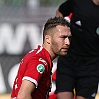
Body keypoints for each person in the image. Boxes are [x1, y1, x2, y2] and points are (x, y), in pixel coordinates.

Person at [11, 17, 71, 99]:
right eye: (63, 37)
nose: (67, 42)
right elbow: (23, 96)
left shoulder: (43, 58)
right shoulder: (39, 61)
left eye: (69, 38)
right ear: (48, 39)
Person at [55, 0, 99, 99]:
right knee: (64, 96)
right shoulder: (79, 2)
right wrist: (60, 31)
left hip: (91, 66)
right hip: (69, 60)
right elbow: (60, 11)